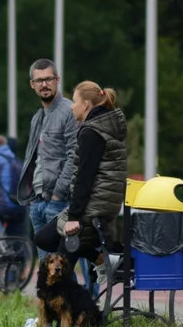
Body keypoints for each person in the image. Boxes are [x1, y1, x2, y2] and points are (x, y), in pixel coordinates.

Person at [33, 82, 128, 271]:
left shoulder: (91, 133)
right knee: (44, 238)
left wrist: (74, 216)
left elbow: (85, 177)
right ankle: (100, 260)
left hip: (91, 209)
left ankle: (66, 298)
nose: (71, 106)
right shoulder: (108, 127)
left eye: (75, 101)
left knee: (62, 265)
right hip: (106, 207)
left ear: (85, 105)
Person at [16, 59, 78, 257]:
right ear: (32, 84)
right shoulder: (37, 117)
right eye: (39, 80)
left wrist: (59, 194)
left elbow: (74, 156)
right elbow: (34, 158)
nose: (44, 84)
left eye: (49, 79)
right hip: (37, 201)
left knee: (64, 264)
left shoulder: (69, 111)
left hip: (60, 201)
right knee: (47, 269)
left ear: (57, 80)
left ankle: (88, 289)